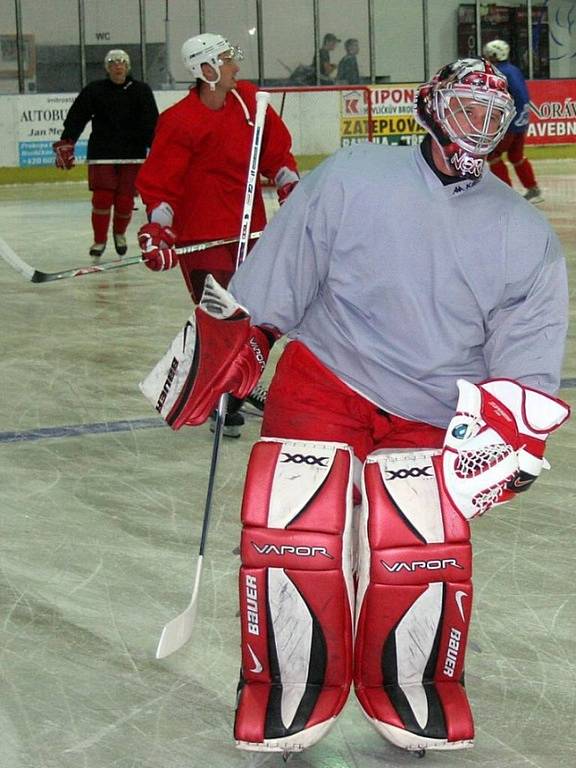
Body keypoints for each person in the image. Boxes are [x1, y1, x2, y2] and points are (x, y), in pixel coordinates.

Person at [140, 58, 569, 755]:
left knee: (419, 541)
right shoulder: (353, 176)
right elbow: (285, 270)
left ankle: (413, 683)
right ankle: (287, 684)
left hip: (432, 405)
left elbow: (526, 357)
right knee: (295, 520)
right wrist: (243, 334)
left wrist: (512, 429)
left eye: (493, 116)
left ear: (510, 129)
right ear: (431, 107)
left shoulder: (524, 238)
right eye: (465, 108)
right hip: (326, 376)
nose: (476, 126)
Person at [136, 32, 299, 437]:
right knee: (226, 319)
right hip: (202, 239)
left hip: (250, 232)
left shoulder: (249, 102)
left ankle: (240, 384)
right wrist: (158, 228)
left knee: (262, 314)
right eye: (227, 61)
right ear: (206, 70)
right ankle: (222, 394)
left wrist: (289, 185)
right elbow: (161, 184)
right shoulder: (179, 121)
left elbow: (276, 152)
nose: (235, 67)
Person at [53, 49, 159, 258]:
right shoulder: (95, 90)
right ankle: (99, 240)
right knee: (101, 199)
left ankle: (119, 234)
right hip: (102, 153)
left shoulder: (141, 90)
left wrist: (156, 148)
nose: (117, 66)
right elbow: (77, 116)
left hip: (132, 154)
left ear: (127, 67)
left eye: (121, 63)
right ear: (107, 68)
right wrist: (68, 140)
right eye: (113, 63)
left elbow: (151, 122)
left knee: (125, 201)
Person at [483, 39, 543, 203]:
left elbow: (515, 97)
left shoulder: (499, 73)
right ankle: (533, 189)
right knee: (516, 155)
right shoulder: (513, 70)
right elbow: (523, 97)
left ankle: (507, 195)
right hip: (519, 123)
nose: (486, 57)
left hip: (509, 124)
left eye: (489, 54)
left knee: (493, 155)